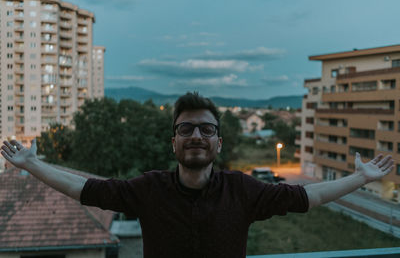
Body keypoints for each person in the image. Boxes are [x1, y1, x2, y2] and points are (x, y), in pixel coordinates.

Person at [1, 92, 394, 258]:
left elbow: (308, 198)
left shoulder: (243, 190)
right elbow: (86, 189)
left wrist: (360, 178)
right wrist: (32, 164)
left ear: (219, 144)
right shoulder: (149, 189)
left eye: (207, 129)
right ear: (173, 142)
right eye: (186, 128)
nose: (196, 136)